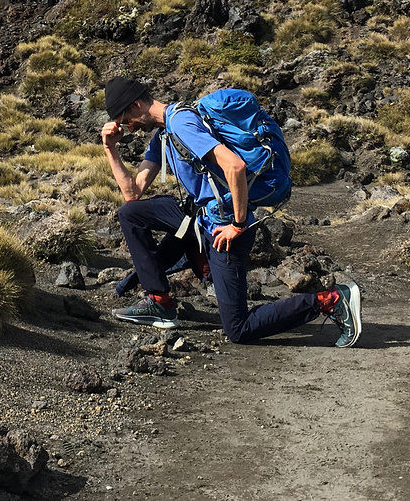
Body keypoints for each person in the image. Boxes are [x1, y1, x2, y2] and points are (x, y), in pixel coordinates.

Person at [101, 76, 363, 348]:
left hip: (223, 226)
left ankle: (331, 300)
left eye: (122, 119)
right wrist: (111, 149)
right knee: (131, 213)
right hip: (200, 215)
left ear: (135, 105)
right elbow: (132, 193)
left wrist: (237, 225)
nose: (125, 127)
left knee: (238, 328)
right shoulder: (164, 135)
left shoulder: (181, 124)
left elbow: (234, 167)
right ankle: (160, 303)